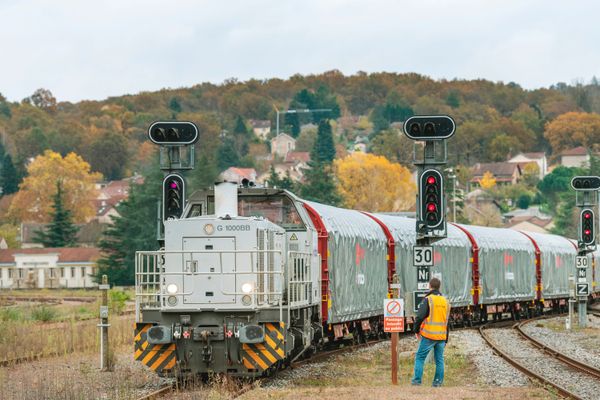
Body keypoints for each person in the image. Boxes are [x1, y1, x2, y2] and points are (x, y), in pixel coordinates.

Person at [411, 277, 450, 387]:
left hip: (428, 335)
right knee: (439, 360)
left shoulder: (428, 299)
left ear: (430, 286)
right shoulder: (446, 301)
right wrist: (446, 338)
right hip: (441, 337)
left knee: (420, 357)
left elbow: (419, 317)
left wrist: (416, 330)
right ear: (439, 286)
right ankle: (437, 383)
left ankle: (416, 382)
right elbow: (447, 321)